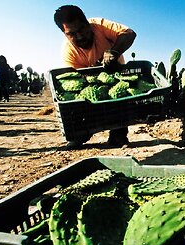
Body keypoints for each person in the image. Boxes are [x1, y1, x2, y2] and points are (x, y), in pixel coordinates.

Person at [54, 5, 137, 147]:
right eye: (72, 34)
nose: (79, 36)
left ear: (87, 23)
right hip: (91, 83)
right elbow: (79, 85)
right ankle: (82, 133)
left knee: (118, 100)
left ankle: (118, 135)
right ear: (64, 34)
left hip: (117, 75)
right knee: (86, 107)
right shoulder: (69, 53)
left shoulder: (99, 25)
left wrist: (114, 51)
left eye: (81, 29)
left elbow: (129, 34)